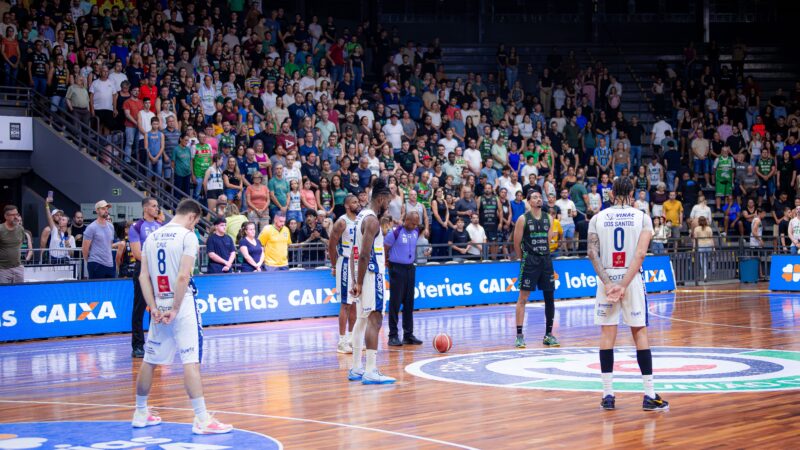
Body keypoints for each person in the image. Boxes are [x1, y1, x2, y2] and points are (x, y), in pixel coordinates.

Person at [133, 199, 233, 435]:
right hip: (181, 304)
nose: (193, 226)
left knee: (150, 360)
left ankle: (140, 412)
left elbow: (143, 277)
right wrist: (176, 308)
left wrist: (153, 307)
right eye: (195, 223)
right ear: (192, 217)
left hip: (159, 304)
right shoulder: (188, 237)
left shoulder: (152, 237)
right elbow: (182, 276)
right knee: (191, 361)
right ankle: (202, 419)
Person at [587, 177, 669, 412]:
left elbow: (592, 252)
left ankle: (608, 395)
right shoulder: (642, 217)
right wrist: (623, 284)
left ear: (611, 194)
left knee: (607, 334)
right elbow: (640, 254)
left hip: (607, 278)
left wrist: (608, 283)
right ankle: (649, 395)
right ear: (632, 194)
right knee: (639, 333)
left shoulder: (597, 218)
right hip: (631, 279)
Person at [348, 178, 395, 384]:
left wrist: (354, 279)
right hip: (371, 274)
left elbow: (354, 252)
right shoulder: (373, 221)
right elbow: (365, 254)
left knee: (362, 319)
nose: (388, 207)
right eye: (388, 202)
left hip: (361, 274)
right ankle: (370, 370)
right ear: (382, 199)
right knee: (375, 319)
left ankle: (356, 367)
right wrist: (359, 281)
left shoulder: (360, 217)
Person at [513, 191, 558, 349]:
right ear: (529, 202)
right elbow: (516, 243)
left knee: (550, 298)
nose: (538, 199)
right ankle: (519, 336)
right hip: (530, 261)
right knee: (523, 298)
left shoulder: (549, 218)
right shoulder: (523, 219)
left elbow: (548, 240)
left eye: (540, 197)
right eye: (535, 197)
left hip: (545, 260)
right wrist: (524, 259)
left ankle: (548, 335)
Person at [129, 198, 163, 358]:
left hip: (157, 270)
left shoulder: (160, 226)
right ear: (145, 208)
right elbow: (137, 254)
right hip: (142, 270)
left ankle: (154, 343)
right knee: (139, 307)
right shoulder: (136, 227)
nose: (157, 208)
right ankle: (137, 346)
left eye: (157, 206)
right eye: (154, 206)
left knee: (156, 308)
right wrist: (155, 260)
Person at [385, 211, 423, 347]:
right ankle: (393, 335)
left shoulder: (416, 231)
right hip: (397, 269)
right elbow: (385, 248)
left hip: (410, 269)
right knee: (395, 303)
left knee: (409, 303)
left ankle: (408, 335)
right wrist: (387, 261)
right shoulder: (395, 233)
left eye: (416, 224)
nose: (415, 226)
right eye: (413, 223)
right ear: (406, 220)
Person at [327, 194, 360, 354]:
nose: (357, 204)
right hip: (345, 262)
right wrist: (334, 265)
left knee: (354, 303)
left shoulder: (360, 220)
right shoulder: (342, 222)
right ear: (347, 205)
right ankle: (341, 341)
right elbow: (331, 245)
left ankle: (352, 339)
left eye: (358, 201)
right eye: (354, 202)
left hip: (357, 263)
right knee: (346, 304)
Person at [82, 200, 116, 279]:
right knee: (96, 287)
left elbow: (109, 244)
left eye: (107, 208)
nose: (106, 210)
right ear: (97, 210)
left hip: (109, 264)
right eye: (103, 208)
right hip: (96, 263)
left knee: (109, 287)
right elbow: (85, 249)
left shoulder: (111, 226)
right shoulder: (91, 227)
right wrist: (90, 261)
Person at [0, 205, 24, 284]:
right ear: (6, 216)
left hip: (18, 268)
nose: (16, 217)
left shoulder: (20, 229)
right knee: (4, 291)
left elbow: (20, 243)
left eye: (17, 214)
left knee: (19, 290)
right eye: (12, 215)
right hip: (3, 269)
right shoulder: (1, 229)